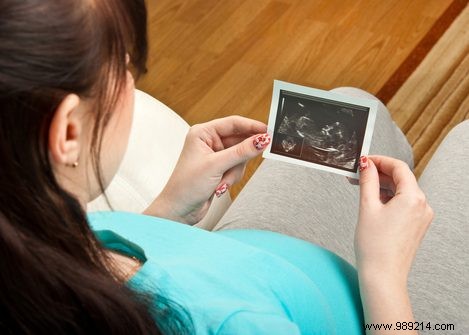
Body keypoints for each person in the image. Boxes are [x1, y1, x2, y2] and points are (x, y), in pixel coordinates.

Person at [0, 0, 466, 334]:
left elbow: (100, 271)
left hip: (258, 267)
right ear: (67, 133)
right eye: (122, 68)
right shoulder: (223, 320)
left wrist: (168, 212)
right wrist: (384, 275)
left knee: (351, 104)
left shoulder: (37, 227)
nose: (129, 78)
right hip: (382, 309)